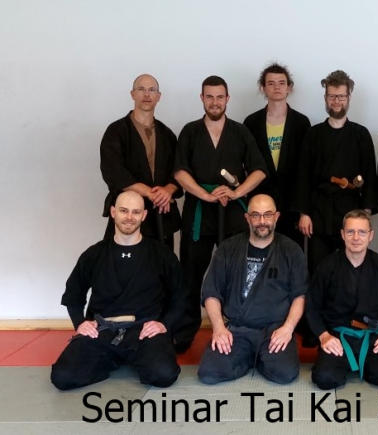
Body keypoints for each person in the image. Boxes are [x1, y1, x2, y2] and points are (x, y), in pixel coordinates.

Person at [173, 75, 268, 352]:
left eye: (219, 97)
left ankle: (238, 326)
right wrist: (204, 194)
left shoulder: (240, 132)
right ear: (202, 98)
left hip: (232, 212)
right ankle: (185, 331)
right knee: (190, 273)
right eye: (209, 97)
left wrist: (237, 193)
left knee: (237, 272)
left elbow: (259, 170)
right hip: (199, 210)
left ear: (227, 99)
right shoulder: (190, 131)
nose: (215, 102)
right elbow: (179, 171)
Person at [51, 191, 184, 390]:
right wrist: (80, 324)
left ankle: (119, 357)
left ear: (144, 215)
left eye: (135, 212)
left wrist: (164, 324)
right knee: (62, 377)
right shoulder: (94, 254)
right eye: (123, 211)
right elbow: (73, 295)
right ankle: (113, 358)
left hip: (144, 331)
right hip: (101, 330)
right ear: (113, 212)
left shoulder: (161, 254)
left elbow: (181, 295)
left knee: (163, 374)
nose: (129, 217)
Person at [197, 194, 307, 384]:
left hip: (274, 330)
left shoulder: (291, 250)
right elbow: (211, 292)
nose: (262, 221)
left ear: (276, 217)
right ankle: (249, 357)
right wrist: (219, 328)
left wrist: (287, 329)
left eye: (267, 215)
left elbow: (300, 295)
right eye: (255, 215)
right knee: (209, 373)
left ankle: (255, 357)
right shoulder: (228, 248)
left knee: (284, 373)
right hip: (238, 330)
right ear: (247, 218)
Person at [306, 210, 378, 389]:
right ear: (342, 234)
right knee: (325, 378)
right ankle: (346, 364)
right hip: (337, 337)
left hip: (371, 337)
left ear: (370, 235)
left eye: (362, 232)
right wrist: (324, 336)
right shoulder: (327, 266)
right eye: (350, 232)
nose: (356, 238)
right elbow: (312, 306)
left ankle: (363, 365)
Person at [294, 70, 378, 273]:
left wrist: (366, 215)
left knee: (351, 267)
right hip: (319, 212)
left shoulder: (361, 134)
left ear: (349, 98)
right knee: (318, 267)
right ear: (325, 98)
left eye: (341, 96)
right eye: (332, 96)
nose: (336, 101)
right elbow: (303, 176)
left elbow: (370, 175)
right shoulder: (313, 134)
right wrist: (304, 213)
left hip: (351, 210)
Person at [100, 74, 182, 247]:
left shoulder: (167, 135)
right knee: (121, 261)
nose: (147, 94)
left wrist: (167, 190)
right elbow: (113, 171)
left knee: (162, 261)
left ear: (158, 96)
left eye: (152, 90)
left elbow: (179, 171)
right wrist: (150, 193)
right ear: (132, 94)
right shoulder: (116, 131)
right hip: (128, 213)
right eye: (141, 89)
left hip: (161, 214)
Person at [243, 63, 311, 246]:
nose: (277, 87)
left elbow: (305, 169)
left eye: (282, 83)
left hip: (291, 202)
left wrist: (304, 210)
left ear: (289, 87)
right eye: (271, 83)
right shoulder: (251, 122)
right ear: (263, 88)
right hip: (259, 201)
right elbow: (247, 164)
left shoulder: (301, 123)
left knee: (290, 251)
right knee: (259, 249)